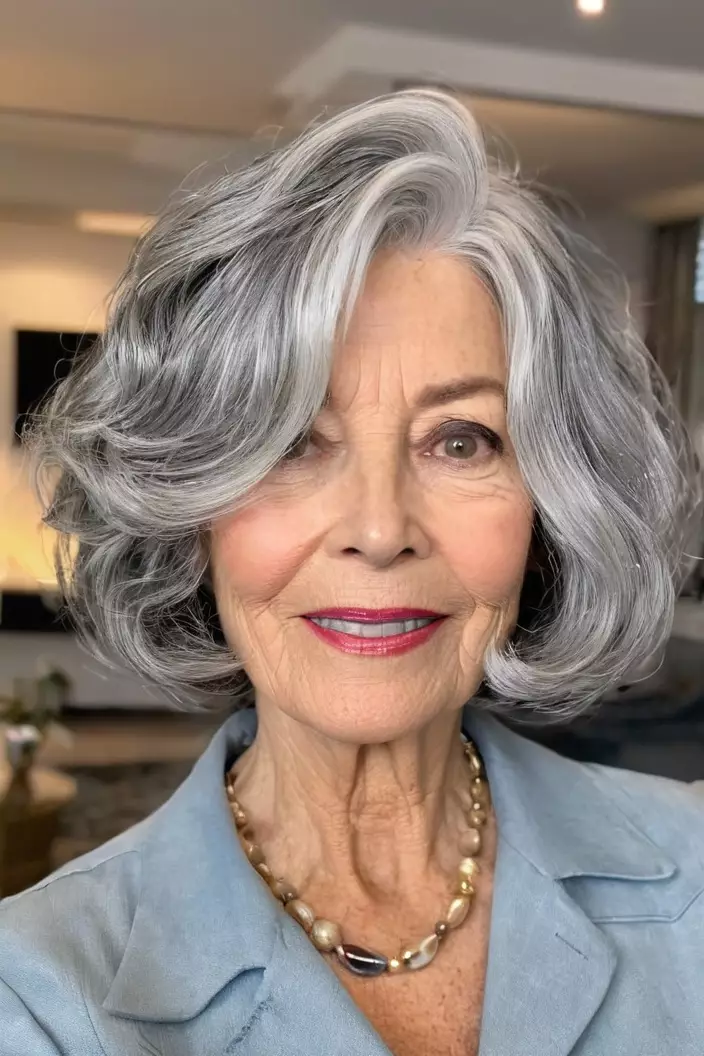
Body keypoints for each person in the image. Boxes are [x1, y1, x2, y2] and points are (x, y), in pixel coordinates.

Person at [1, 89, 703, 1056]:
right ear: (189, 506)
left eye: (460, 440)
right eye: (293, 441)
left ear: (553, 502)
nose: (379, 531)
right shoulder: (37, 993)